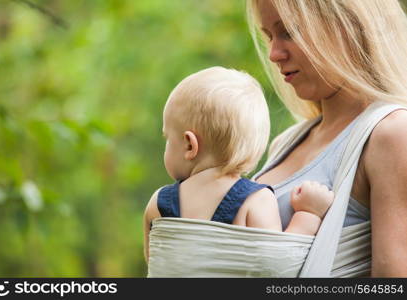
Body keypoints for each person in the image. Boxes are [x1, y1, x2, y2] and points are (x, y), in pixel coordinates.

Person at [247, 0, 407, 277]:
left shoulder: (391, 133)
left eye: (289, 32)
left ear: (348, 26)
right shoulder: (284, 143)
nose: (273, 54)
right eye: (268, 36)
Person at [143, 66, 334, 262]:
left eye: (168, 138)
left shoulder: (157, 205)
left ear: (190, 145)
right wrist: (309, 213)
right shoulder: (256, 201)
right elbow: (280, 265)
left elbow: (156, 266)